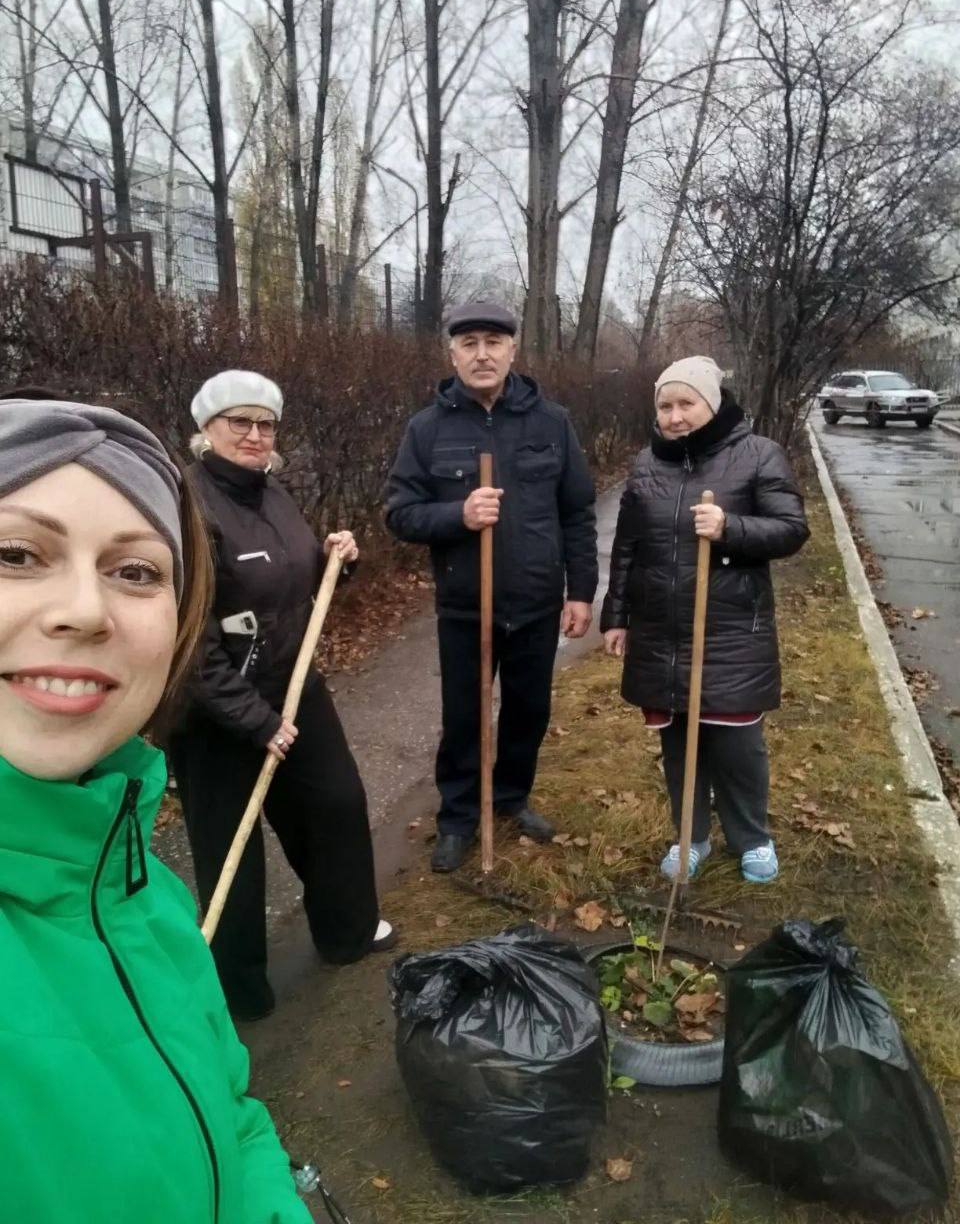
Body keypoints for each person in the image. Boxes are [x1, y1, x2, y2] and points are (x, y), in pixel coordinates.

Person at [0, 396, 311, 1223]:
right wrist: (255, 721)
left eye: (136, 571)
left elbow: (232, 1119)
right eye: (17, 553)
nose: (85, 611)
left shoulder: (139, 887)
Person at [169, 370, 394, 1023]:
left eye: (265, 423)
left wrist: (335, 563)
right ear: (206, 429)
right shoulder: (188, 508)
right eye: (239, 421)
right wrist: (253, 719)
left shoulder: (276, 495)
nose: (254, 434)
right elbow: (189, 641)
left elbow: (291, 590)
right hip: (215, 711)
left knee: (335, 802)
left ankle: (348, 932)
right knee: (231, 849)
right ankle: (238, 990)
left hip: (293, 685)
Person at [385, 302, 598, 872]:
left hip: (534, 601)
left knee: (528, 711)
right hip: (464, 605)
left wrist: (581, 592)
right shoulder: (427, 429)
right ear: (452, 353)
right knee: (464, 717)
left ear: (513, 350)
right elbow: (400, 513)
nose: (482, 353)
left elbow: (577, 512)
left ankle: (509, 799)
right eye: (470, 342)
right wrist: (459, 514)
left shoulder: (550, 422)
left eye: (493, 342)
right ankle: (457, 816)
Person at [601, 356, 809, 883]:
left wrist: (730, 528)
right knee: (679, 743)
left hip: (731, 631)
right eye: (665, 406)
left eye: (685, 403)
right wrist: (617, 617)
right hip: (662, 632)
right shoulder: (647, 464)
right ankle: (691, 835)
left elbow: (790, 528)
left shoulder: (759, 455)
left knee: (737, 743)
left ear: (712, 404)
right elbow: (627, 546)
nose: (674, 416)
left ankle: (751, 837)